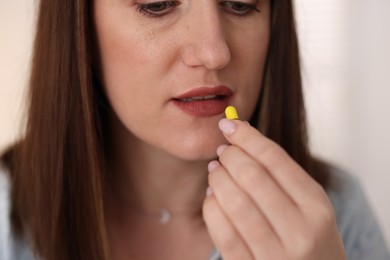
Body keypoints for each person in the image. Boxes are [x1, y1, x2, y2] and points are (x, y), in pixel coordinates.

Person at [0, 0, 389, 259]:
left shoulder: (339, 215)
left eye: (240, 2)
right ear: (80, 27)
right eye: (158, 4)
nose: (214, 51)